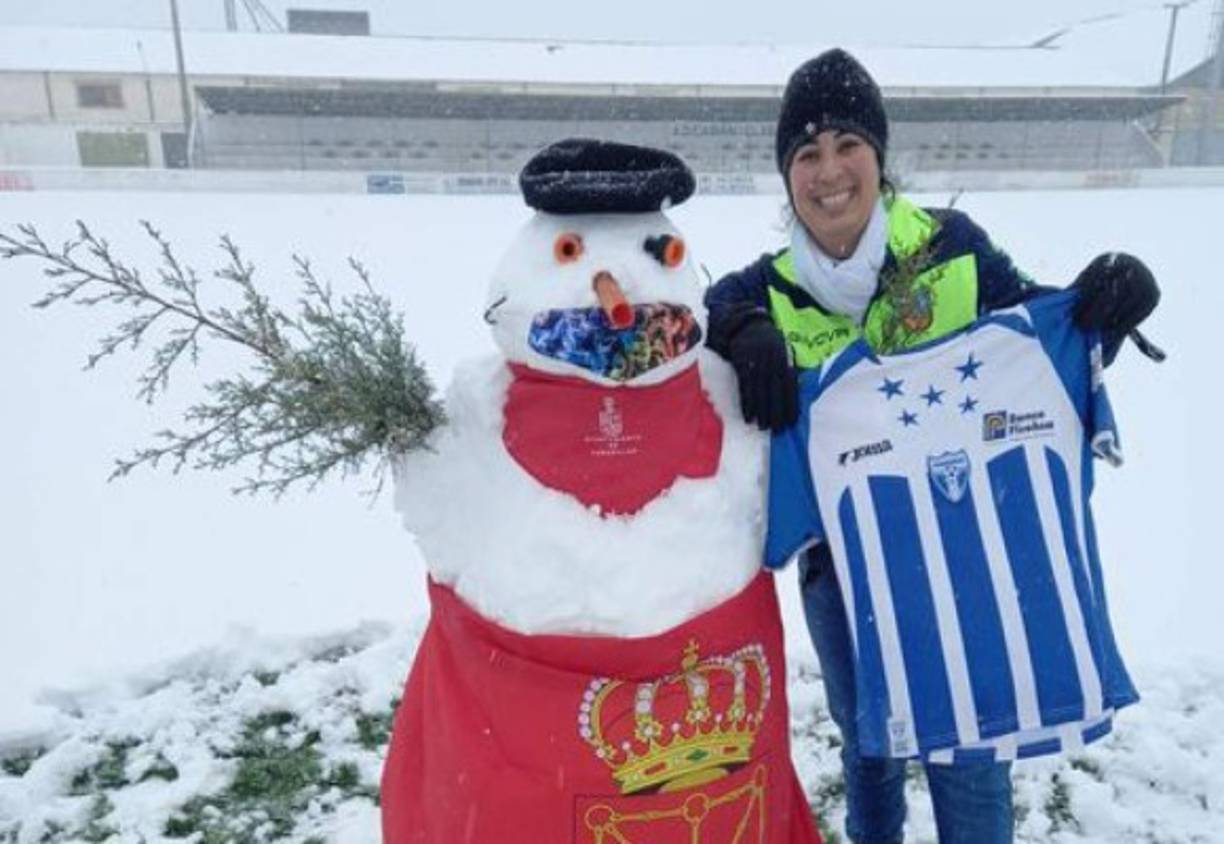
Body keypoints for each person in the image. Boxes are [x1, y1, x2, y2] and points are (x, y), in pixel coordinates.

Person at [703, 48, 1160, 844]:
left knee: (969, 758)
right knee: (870, 746)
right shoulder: (766, 290)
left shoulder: (950, 246)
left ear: (879, 157)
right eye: (805, 154)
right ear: (786, 179)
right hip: (841, 575)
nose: (829, 170)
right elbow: (711, 306)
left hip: (964, 569)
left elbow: (1037, 338)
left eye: (848, 144)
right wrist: (739, 330)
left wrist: (1103, 307)